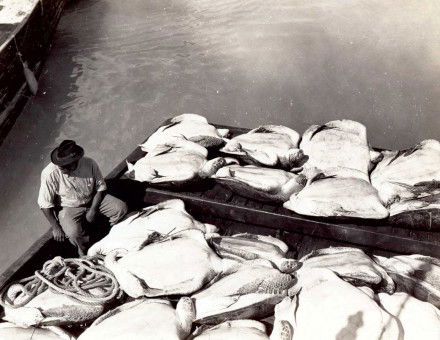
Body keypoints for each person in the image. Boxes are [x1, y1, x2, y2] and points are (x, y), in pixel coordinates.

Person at [38, 140, 128, 256]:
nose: (61, 168)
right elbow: (44, 204)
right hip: (69, 207)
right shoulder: (49, 173)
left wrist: (93, 210)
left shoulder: (90, 163)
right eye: (60, 166)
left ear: (75, 162)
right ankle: (84, 251)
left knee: (120, 208)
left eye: (65, 166)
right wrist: (55, 227)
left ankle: (116, 235)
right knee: (73, 233)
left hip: (93, 198)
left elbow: (101, 188)